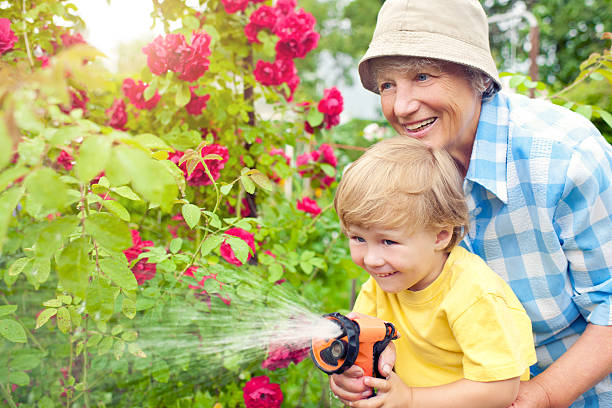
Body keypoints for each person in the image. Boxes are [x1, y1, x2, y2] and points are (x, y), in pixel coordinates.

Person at [330, 0, 612, 407]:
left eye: (422, 76)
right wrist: (364, 370)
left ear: (478, 76)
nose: (401, 106)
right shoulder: (403, 173)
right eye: (388, 85)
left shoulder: (564, 159)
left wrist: (546, 394)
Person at [333, 136, 537, 407]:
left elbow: (501, 391)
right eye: (358, 238)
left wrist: (411, 399)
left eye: (388, 241)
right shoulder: (380, 284)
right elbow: (368, 348)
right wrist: (347, 377)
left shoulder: (473, 294)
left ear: (440, 235)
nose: (371, 259)